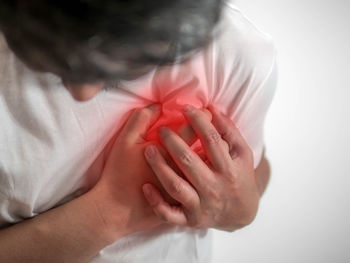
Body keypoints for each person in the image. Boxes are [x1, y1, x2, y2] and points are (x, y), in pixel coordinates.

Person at [0, 0, 276, 262]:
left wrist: (241, 208)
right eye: (56, 55)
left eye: (119, 64)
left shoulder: (230, 50)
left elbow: (253, 167)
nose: (82, 92)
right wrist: (108, 212)